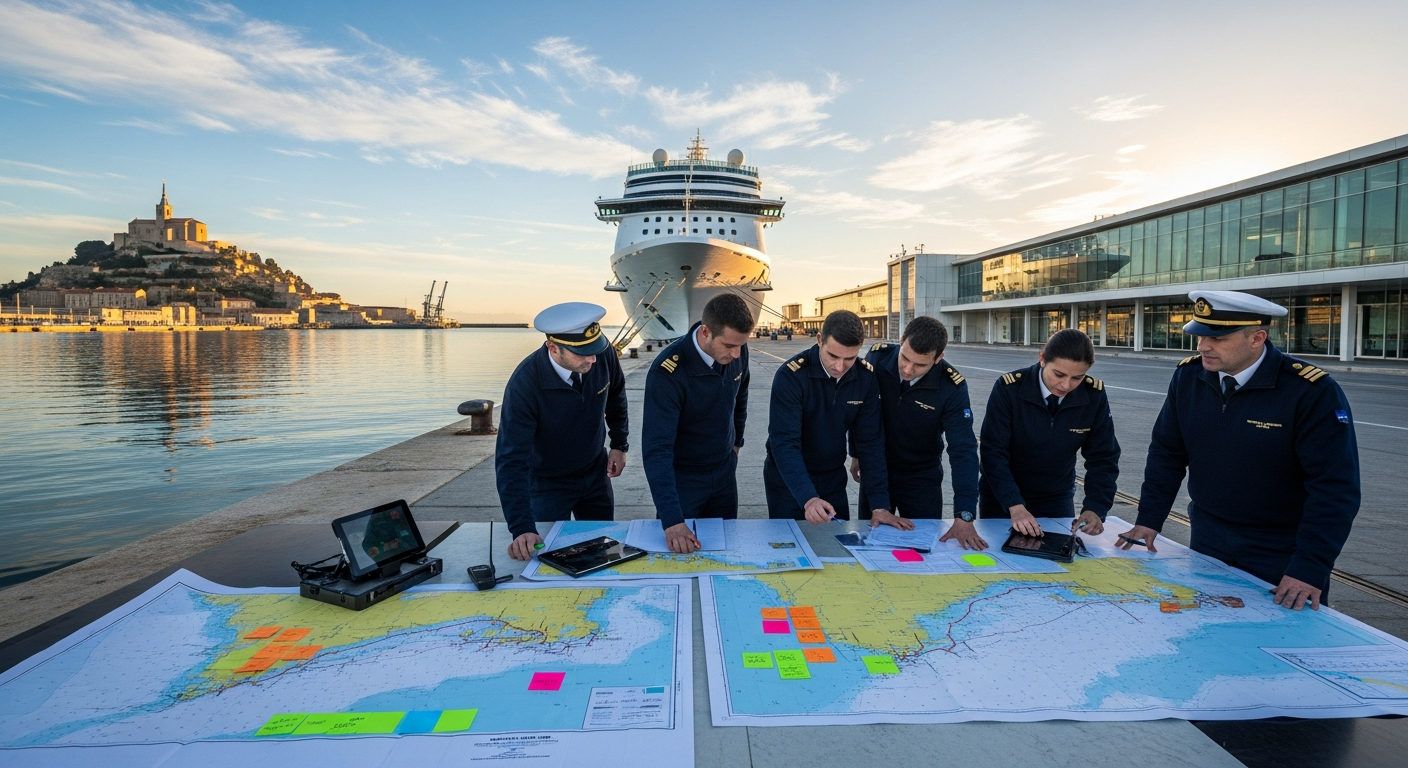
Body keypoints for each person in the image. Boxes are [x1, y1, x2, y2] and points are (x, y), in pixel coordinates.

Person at [1122, 290, 1360, 611]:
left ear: (1257, 338)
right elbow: (1167, 454)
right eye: (1200, 335)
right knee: (1207, 633)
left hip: (1280, 549)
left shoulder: (1311, 392)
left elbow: (1335, 488)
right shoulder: (1189, 377)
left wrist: (1308, 568)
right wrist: (1150, 518)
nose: (1203, 346)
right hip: (1208, 537)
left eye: (1217, 338)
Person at [496, 302, 628, 560]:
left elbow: (616, 396)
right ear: (553, 347)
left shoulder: (602, 354)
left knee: (604, 553)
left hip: (595, 475)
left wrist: (619, 444)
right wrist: (521, 527)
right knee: (547, 558)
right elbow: (511, 459)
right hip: (547, 484)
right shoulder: (524, 385)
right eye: (582, 353)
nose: (593, 359)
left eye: (595, 349)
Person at [972, 329, 1120, 550]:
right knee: (1000, 561)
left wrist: (1096, 507)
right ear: (1042, 359)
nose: (1066, 385)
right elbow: (993, 452)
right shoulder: (1009, 389)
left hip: (1056, 497)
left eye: (1077, 378)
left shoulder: (1093, 396)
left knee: (1057, 564)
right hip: (1003, 498)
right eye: (1059, 374)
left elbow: (1103, 457)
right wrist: (1014, 503)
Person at [642, 294, 755, 554]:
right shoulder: (668, 373)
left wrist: (737, 442)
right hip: (685, 481)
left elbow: (741, 394)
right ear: (705, 332)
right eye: (728, 345)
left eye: (741, 345)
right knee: (676, 558)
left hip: (724, 474)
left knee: (725, 553)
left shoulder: (738, 348)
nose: (736, 353)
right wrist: (672, 521)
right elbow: (656, 449)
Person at [764, 310, 895, 525]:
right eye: (833, 356)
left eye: (849, 358)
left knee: (837, 549)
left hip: (832, 478)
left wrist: (879, 504)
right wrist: (808, 498)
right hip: (789, 481)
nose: (839, 367)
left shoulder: (865, 378)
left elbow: (870, 442)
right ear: (819, 340)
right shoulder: (791, 376)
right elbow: (784, 443)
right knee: (789, 551)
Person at [851, 316, 978, 534]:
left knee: (923, 544)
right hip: (877, 469)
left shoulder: (951, 387)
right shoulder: (877, 359)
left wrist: (964, 513)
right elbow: (861, 413)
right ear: (901, 341)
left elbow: (963, 449)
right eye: (905, 358)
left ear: (939, 358)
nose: (908, 370)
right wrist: (856, 454)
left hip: (921, 477)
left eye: (920, 365)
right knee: (871, 540)